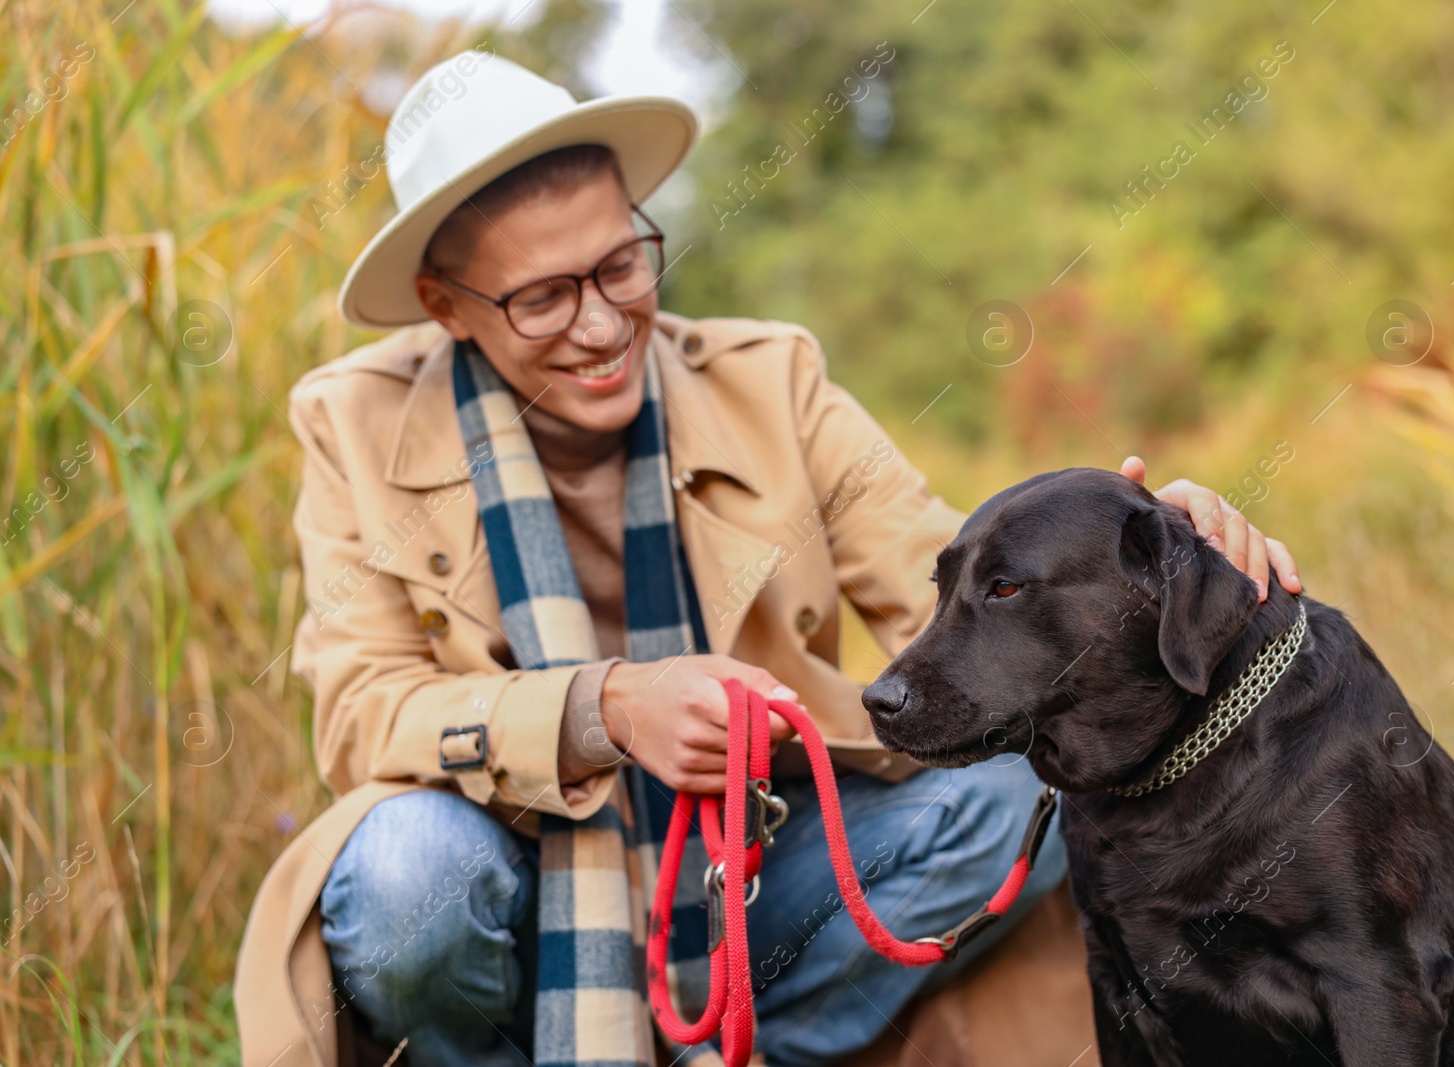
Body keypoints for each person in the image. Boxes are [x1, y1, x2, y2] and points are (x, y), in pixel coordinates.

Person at [234, 50, 1302, 1067]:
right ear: (443, 305)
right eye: (543, 297)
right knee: (406, 877)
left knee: (1012, 798)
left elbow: (960, 583)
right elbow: (363, 708)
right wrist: (604, 708)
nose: (604, 325)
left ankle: (730, 1046)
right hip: (507, 870)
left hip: (754, 863)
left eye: (619, 264)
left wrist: (1144, 537)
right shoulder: (353, 423)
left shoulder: (769, 380)